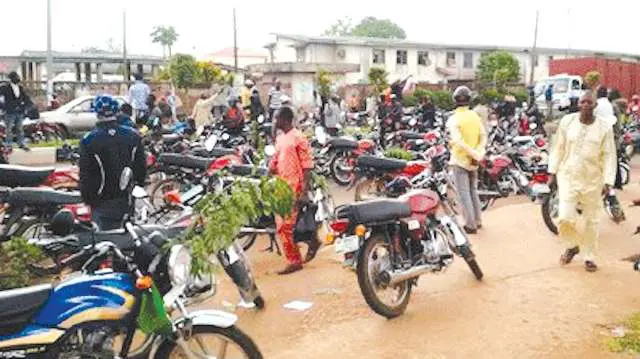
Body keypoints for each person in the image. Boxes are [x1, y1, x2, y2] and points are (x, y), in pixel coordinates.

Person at [548, 91, 616, 272]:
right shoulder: (567, 122)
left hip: (593, 180)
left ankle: (589, 256)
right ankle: (572, 245)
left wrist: (608, 181)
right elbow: (558, 148)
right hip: (568, 176)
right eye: (583, 102)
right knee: (564, 217)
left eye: (589, 102)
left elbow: (609, 155)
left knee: (592, 220)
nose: (586, 105)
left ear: (595, 106)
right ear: (578, 104)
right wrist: (552, 172)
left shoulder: (604, 128)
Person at [79, 95, 146, 230]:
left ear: (97, 113)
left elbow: (85, 174)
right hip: (126, 197)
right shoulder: (132, 136)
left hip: (101, 199)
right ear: (117, 112)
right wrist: (136, 186)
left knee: (103, 240)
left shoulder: (89, 140)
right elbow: (140, 167)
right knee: (127, 236)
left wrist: (88, 199)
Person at [269, 106, 318, 275]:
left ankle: (294, 260)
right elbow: (274, 162)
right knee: (284, 225)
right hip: (281, 187)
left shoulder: (298, 138)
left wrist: (303, 191)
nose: (275, 122)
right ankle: (311, 240)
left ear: (285, 119)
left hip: (294, 186)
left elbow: (307, 166)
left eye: (277, 119)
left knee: (285, 226)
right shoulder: (281, 139)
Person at [447, 86, 487, 234]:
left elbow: (458, 141)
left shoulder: (453, 119)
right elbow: (483, 137)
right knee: (473, 191)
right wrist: (478, 154)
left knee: (463, 193)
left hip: (460, 160)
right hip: (474, 161)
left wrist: (472, 155)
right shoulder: (475, 116)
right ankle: (478, 220)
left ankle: (470, 225)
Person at [0, 72, 32, 150]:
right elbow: (1, 98)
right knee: (9, 128)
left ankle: (21, 143)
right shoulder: (5, 88)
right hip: (9, 111)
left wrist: (26, 106)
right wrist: (3, 107)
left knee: (19, 128)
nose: (18, 78)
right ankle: (8, 144)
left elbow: (25, 98)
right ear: (12, 79)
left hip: (19, 111)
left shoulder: (20, 88)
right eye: (16, 77)